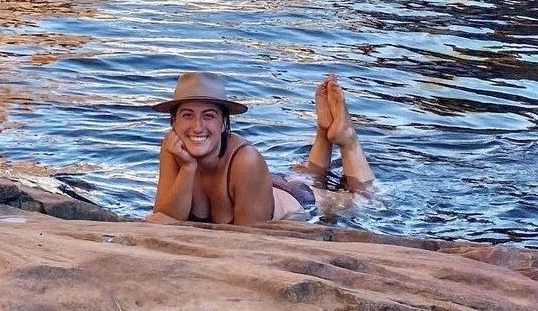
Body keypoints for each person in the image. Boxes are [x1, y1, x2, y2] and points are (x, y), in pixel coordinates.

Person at [147, 69, 374, 226]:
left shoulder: (246, 160)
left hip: (296, 201)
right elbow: (165, 219)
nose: (197, 127)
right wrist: (187, 168)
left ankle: (348, 139)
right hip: (264, 184)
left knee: (361, 199)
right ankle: (323, 130)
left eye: (209, 116)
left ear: (224, 122)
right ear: (174, 123)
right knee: (312, 175)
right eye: (187, 115)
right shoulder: (172, 148)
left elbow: (251, 242)